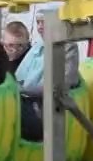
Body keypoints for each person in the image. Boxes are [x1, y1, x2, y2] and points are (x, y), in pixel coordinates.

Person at [16, 11, 81, 142]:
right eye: (38, 22)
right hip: (26, 101)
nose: (40, 26)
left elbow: (60, 85)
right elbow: (19, 77)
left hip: (46, 108)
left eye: (44, 22)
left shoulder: (68, 47)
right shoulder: (37, 47)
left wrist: (23, 90)